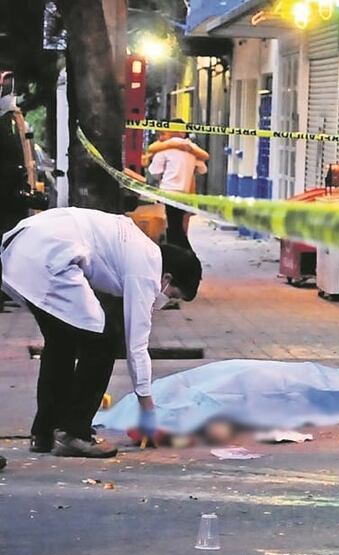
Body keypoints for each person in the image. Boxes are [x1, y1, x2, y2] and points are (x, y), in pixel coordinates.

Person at [1, 204, 202, 457]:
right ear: (167, 278)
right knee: (104, 342)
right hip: (49, 257)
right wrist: (148, 414)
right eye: (171, 295)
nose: (164, 301)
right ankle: (74, 432)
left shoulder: (134, 245)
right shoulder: (147, 269)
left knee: (61, 341)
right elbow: (136, 346)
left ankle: (44, 432)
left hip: (19, 252)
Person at [144, 120, 208, 253]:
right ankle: (184, 259)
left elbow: (154, 172)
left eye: (163, 133)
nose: (161, 137)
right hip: (185, 195)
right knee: (179, 228)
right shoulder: (192, 150)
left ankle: (186, 259)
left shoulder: (164, 150)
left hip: (167, 194)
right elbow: (203, 169)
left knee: (172, 231)